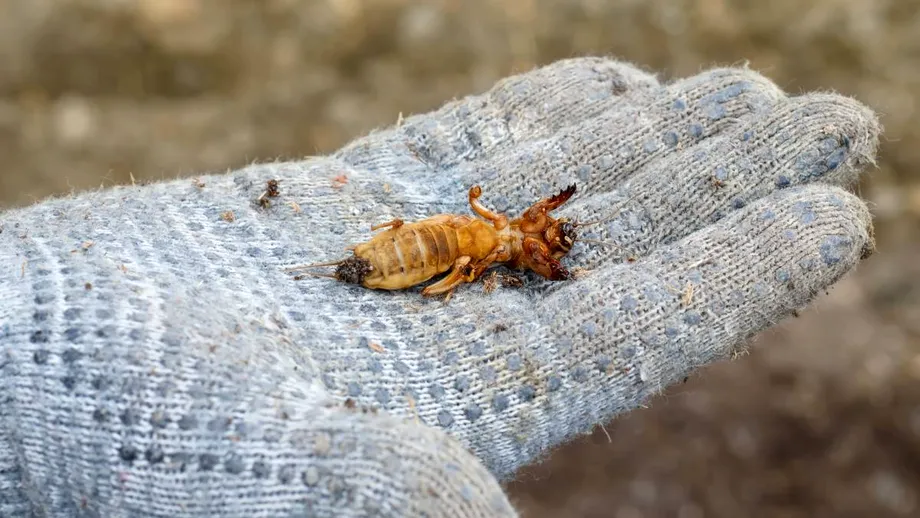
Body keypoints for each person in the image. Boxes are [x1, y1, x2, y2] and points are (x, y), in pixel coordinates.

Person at [0, 57, 879, 517]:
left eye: (538, 241)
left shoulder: (497, 237)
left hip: (434, 249)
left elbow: (509, 239)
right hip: (422, 254)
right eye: (538, 234)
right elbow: (499, 248)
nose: (540, 239)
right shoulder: (494, 246)